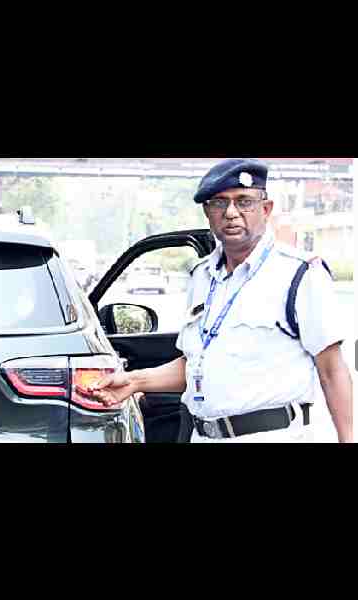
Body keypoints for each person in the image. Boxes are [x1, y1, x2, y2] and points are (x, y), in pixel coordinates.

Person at [84, 159, 353, 443]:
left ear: (266, 209)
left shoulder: (298, 274)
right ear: (207, 213)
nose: (231, 213)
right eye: (219, 203)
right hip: (202, 435)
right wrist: (134, 381)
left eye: (244, 201)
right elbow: (197, 365)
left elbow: (332, 370)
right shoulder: (202, 277)